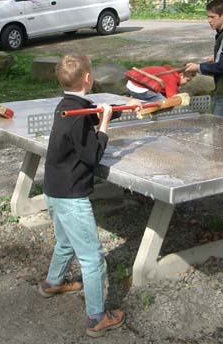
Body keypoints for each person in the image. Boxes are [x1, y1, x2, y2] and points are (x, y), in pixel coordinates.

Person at [39, 54, 139, 338]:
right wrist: (104, 125)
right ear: (87, 78)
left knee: (65, 242)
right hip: (71, 196)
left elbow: (92, 112)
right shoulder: (76, 118)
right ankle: (97, 317)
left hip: (53, 190)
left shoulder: (68, 107)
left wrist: (124, 107)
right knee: (93, 258)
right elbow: (93, 154)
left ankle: (53, 283)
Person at [125, 65, 193, 102]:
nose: (186, 83)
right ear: (181, 75)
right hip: (138, 88)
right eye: (187, 80)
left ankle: (136, 98)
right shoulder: (171, 78)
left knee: (161, 95)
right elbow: (172, 98)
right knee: (165, 103)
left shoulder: (169, 72)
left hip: (132, 84)